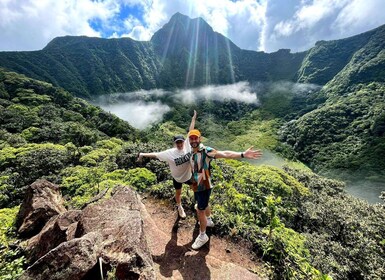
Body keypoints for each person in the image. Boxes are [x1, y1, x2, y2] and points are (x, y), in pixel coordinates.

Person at [188, 129, 262, 250]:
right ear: (189, 140)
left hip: (204, 185)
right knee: (203, 204)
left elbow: (225, 154)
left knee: (199, 209)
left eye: (196, 138)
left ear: (200, 138)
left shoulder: (206, 151)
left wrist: (242, 154)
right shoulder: (191, 152)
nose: (194, 140)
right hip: (197, 185)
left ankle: (202, 236)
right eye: (191, 138)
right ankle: (209, 220)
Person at [137, 111, 197, 218]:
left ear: (184, 141)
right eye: (177, 142)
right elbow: (155, 155)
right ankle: (179, 207)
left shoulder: (187, 145)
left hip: (188, 176)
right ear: (175, 143)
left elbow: (191, 130)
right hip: (177, 178)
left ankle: (196, 203)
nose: (179, 144)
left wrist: (193, 118)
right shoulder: (169, 153)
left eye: (181, 142)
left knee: (195, 189)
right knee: (178, 193)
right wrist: (142, 154)